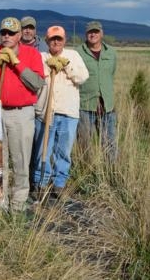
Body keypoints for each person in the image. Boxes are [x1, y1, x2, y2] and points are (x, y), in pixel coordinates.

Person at [0, 17, 45, 212]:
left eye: (11, 33)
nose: (7, 36)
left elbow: (37, 84)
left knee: (21, 159)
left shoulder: (31, 54)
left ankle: (18, 203)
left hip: (21, 114)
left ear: (20, 35)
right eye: (4, 32)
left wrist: (17, 64)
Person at [32, 26, 89, 198]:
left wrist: (66, 66)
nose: (56, 42)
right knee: (43, 149)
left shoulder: (73, 56)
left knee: (63, 151)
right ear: (47, 40)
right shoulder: (41, 57)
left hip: (68, 112)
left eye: (59, 39)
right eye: (52, 39)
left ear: (64, 40)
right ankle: (40, 182)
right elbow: (34, 81)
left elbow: (82, 78)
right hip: (45, 111)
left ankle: (59, 183)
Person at [76, 20, 118, 161]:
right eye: (90, 32)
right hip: (85, 105)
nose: (93, 34)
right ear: (86, 34)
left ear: (102, 33)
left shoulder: (111, 52)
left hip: (107, 106)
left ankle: (111, 173)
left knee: (109, 142)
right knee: (84, 143)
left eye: (96, 31)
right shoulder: (78, 52)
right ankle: (84, 171)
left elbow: (111, 73)